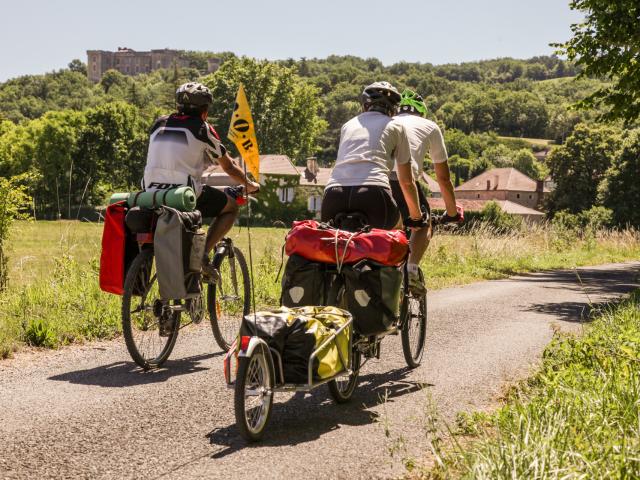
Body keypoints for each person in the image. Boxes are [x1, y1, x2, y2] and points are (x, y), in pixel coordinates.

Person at [143, 82, 260, 280]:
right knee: (230, 207)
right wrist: (250, 185)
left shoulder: (158, 124)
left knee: (205, 194)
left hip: (150, 192)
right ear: (205, 112)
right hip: (182, 194)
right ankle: (201, 255)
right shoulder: (202, 128)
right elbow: (229, 166)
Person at [321, 81, 424, 231]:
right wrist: (416, 217)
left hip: (334, 194)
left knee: (333, 242)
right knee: (397, 232)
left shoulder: (347, 125)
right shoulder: (396, 126)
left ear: (364, 106)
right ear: (393, 110)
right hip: (374, 194)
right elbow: (406, 181)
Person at [389, 89, 461, 294]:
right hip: (404, 181)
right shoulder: (430, 126)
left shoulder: (387, 122)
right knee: (422, 223)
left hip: (375, 180)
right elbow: (444, 179)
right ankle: (411, 270)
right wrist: (452, 213)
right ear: (421, 112)